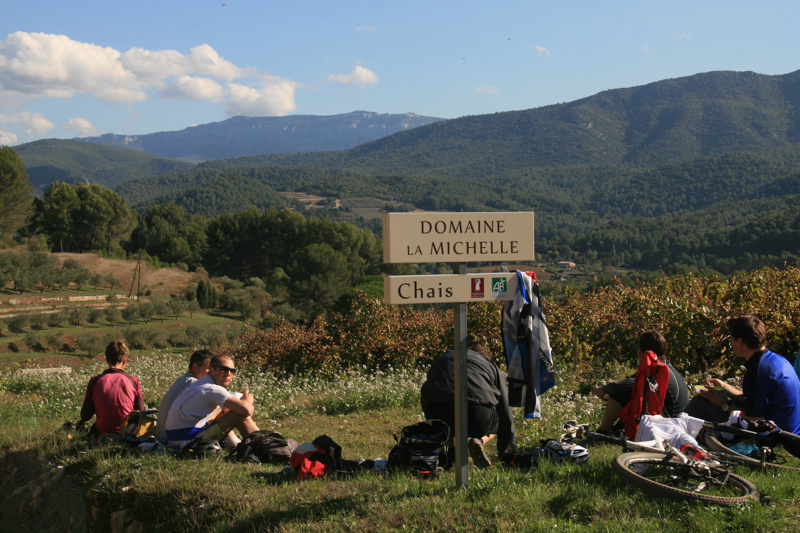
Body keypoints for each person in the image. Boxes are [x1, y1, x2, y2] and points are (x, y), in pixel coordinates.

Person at [687, 315, 800, 434]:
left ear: (740, 342)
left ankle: (676, 434)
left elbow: (753, 421)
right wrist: (725, 387)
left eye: (732, 340)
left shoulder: (759, 372)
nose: (731, 344)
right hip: (791, 431)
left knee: (699, 403)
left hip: (775, 436)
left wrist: (725, 404)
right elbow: (755, 400)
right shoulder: (776, 360)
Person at [420, 342, 518, 469]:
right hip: (477, 416)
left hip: (438, 412)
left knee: (445, 415)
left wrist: (431, 422)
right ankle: (479, 441)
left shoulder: (442, 358)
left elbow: (427, 392)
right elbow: (504, 409)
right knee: (497, 421)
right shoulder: (489, 364)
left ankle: (449, 450)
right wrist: (508, 453)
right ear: (485, 356)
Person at [592, 331, 689, 436]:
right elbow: (633, 383)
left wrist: (603, 390)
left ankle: (601, 433)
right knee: (627, 393)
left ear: (641, 351)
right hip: (676, 422)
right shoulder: (664, 367)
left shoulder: (656, 369)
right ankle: (616, 428)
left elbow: (623, 385)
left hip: (668, 425)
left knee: (619, 394)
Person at [164, 354, 260, 450]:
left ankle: (238, 445)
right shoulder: (212, 389)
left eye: (232, 371)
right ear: (211, 370)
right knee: (238, 413)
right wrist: (247, 401)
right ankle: (262, 446)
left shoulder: (200, 384)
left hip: (176, 440)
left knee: (224, 410)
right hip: (188, 443)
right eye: (223, 369)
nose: (228, 373)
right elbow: (247, 410)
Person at [79, 340, 144, 436]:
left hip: (102, 434)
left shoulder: (95, 381)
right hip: (127, 434)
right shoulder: (133, 380)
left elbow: (85, 416)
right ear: (125, 361)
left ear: (106, 359)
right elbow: (141, 413)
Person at [154, 349, 213, 443]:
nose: (211, 373)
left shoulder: (183, 380)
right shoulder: (193, 384)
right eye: (208, 369)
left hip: (163, 437)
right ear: (195, 367)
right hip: (172, 440)